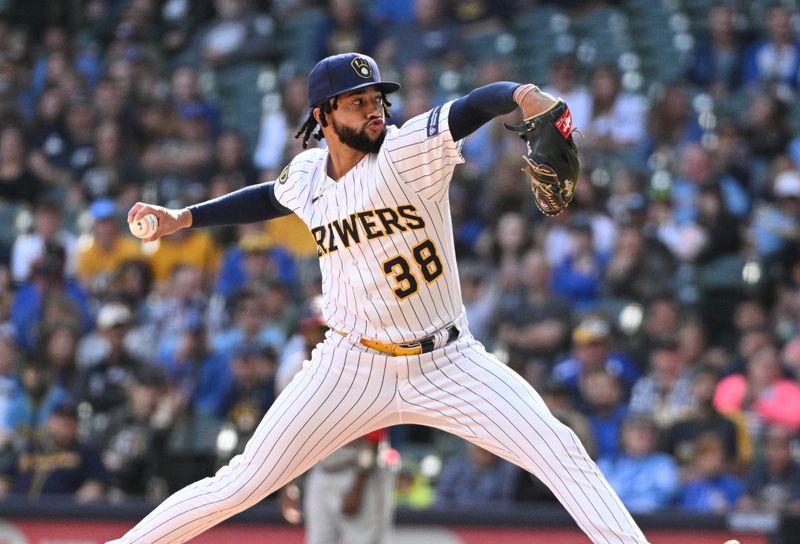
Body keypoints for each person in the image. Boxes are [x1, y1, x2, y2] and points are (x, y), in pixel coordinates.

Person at [109, 52, 651, 544]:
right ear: (323, 116)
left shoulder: (407, 150)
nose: (375, 111)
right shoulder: (305, 176)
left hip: (449, 361)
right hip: (350, 364)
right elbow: (267, 199)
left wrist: (522, 94)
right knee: (240, 484)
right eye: (358, 102)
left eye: (378, 99)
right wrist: (184, 217)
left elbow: (470, 106)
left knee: (559, 450)